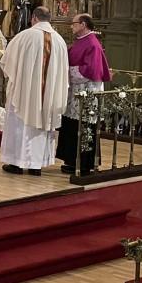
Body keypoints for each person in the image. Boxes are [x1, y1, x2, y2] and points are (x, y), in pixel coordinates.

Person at [0, 7, 70, 176]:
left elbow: (7, 62)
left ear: (34, 18)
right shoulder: (60, 40)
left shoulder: (24, 36)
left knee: (21, 124)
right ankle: (36, 165)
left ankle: (17, 163)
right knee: (42, 125)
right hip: (49, 96)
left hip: (24, 93)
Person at [56, 14, 112, 176]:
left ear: (83, 24)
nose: (71, 26)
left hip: (87, 92)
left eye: (73, 23)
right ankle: (72, 160)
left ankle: (84, 163)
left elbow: (90, 70)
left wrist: (66, 71)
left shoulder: (92, 44)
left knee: (84, 126)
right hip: (76, 92)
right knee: (72, 126)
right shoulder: (81, 41)